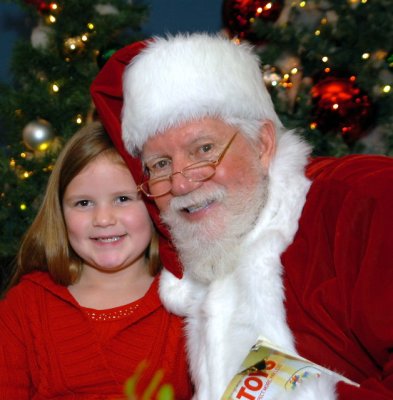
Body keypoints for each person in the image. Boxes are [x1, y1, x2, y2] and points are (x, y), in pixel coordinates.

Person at [90, 33, 393, 400]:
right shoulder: (181, 269)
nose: (182, 183)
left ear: (263, 144)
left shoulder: (363, 202)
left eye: (204, 149)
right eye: (161, 164)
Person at [0, 122, 193, 400]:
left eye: (123, 198)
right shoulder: (24, 307)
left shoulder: (189, 305)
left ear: (153, 204)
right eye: (83, 203)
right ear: (61, 213)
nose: (103, 219)